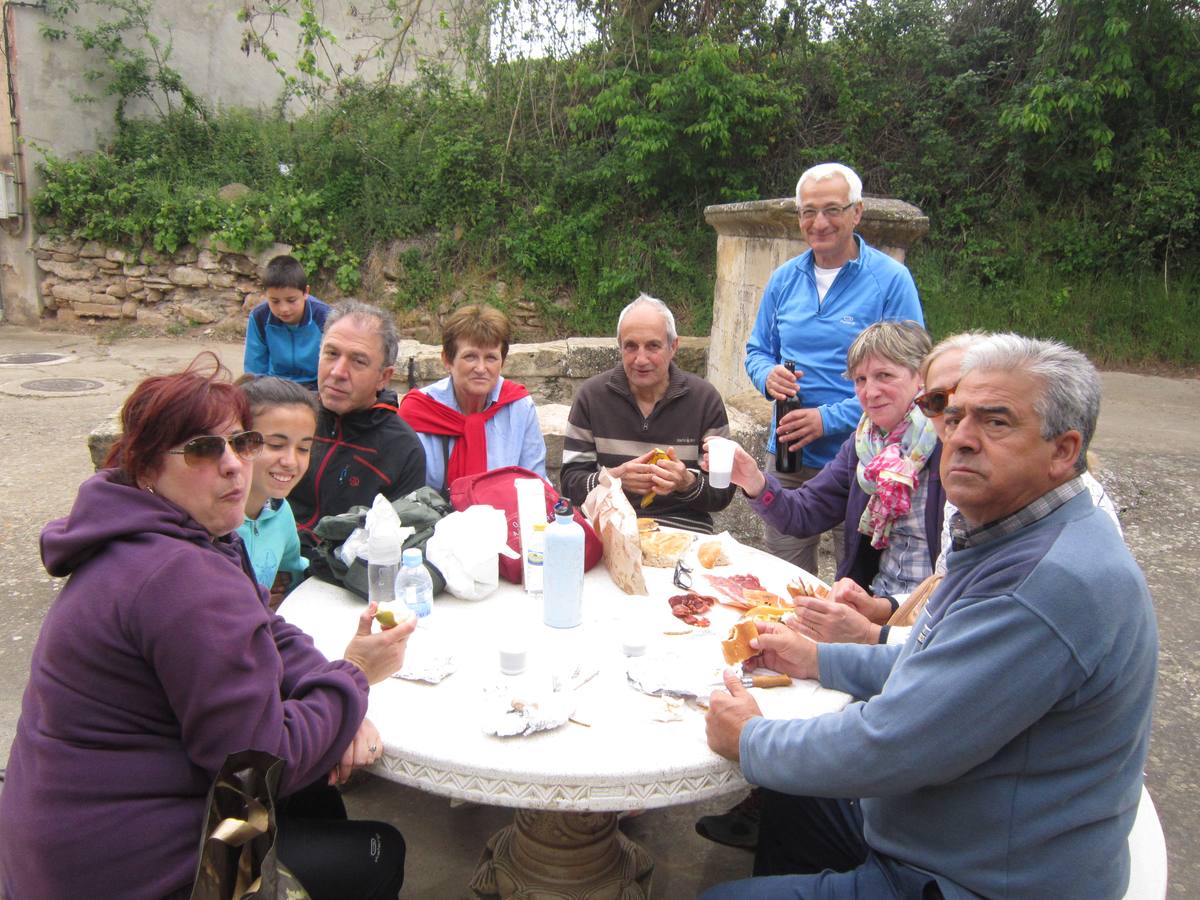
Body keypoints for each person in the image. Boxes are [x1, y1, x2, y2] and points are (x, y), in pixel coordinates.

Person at [701, 334, 1157, 900]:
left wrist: (750, 740)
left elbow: (892, 744)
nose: (960, 438)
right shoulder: (1014, 530)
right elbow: (938, 664)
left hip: (971, 876)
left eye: (996, 422)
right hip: (948, 826)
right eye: (953, 414)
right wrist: (820, 658)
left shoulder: (1041, 586)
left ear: (1064, 451)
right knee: (799, 795)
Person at [0, 354, 414, 899]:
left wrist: (334, 686)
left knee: (317, 798)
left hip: (71, 833)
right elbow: (259, 765)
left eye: (241, 443)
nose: (233, 464)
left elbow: (266, 628)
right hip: (136, 867)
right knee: (380, 849)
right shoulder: (179, 576)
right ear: (146, 468)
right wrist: (355, 676)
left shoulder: (173, 537)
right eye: (202, 450)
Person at [695, 320, 943, 851]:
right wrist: (753, 480)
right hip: (867, 602)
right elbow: (804, 512)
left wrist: (880, 611)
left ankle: (815, 811)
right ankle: (782, 798)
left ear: (921, 380)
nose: (870, 391)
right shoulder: (864, 443)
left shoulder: (949, 452)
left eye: (885, 376)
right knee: (759, 646)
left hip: (927, 619)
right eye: (859, 379)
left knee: (807, 678)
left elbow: (955, 578)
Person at [745, 162, 924, 576]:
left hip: (870, 458)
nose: (819, 222)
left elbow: (912, 374)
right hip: (789, 454)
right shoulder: (784, 279)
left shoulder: (891, 280)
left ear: (856, 212)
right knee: (784, 576)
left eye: (832, 210)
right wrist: (766, 376)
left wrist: (827, 419)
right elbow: (756, 349)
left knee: (859, 580)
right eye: (808, 212)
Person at [560, 293, 735, 533]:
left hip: (685, 532)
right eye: (631, 346)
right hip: (609, 528)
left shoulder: (705, 400)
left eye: (653, 346)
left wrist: (686, 483)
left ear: (673, 347)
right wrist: (614, 480)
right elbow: (570, 484)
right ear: (619, 346)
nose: (641, 359)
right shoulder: (591, 397)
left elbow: (722, 493)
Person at [289, 300, 427, 547]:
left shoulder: (402, 449)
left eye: (358, 361)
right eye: (331, 354)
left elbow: (399, 542)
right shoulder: (290, 419)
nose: (338, 372)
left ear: (384, 377)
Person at [399, 304, 546, 495]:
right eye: (470, 357)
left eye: (491, 358)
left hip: (504, 519)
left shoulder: (519, 407)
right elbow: (404, 495)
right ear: (447, 360)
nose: (481, 368)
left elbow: (535, 484)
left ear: (503, 362)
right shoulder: (419, 411)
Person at [237, 375, 320, 608]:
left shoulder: (280, 512)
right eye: (275, 445)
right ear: (238, 441)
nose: (291, 461)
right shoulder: (212, 524)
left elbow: (291, 573)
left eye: (304, 448)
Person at [243, 254, 331, 389]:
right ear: (266, 295)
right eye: (275, 301)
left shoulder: (324, 317)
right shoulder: (259, 317)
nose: (284, 309)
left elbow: (334, 364)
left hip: (316, 387)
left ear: (305, 292)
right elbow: (254, 370)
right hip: (276, 387)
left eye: (291, 300)